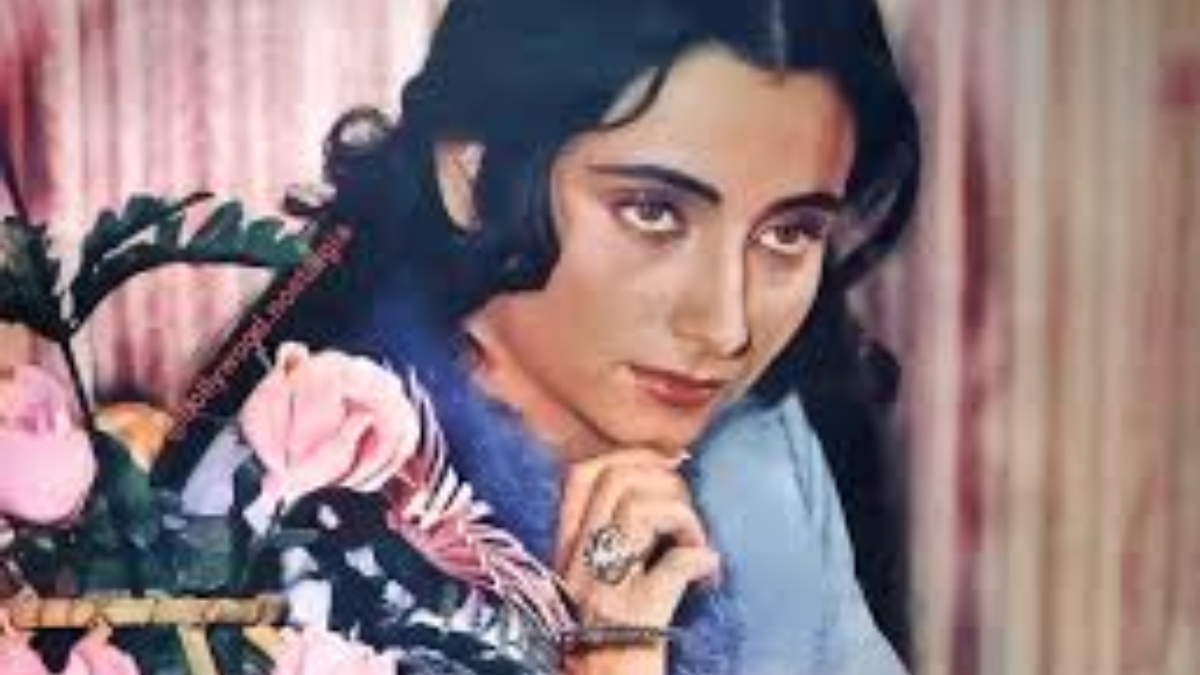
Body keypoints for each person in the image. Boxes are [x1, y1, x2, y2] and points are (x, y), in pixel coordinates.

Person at [164, 0, 920, 673]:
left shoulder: (763, 452)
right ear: (472, 178)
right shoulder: (287, 494)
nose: (727, 327)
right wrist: (611, 658)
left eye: (790, 232)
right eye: (653, 211)